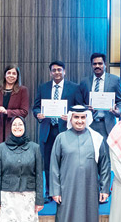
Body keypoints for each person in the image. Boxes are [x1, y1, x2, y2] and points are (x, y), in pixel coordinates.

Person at [48, 105, 111, 222]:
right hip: (67, 190)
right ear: (70, 119)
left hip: (90, 190)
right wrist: (55, 190)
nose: (80, 121)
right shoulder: (61, 138)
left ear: (87, 119)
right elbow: (54, 166)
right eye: (76, 117)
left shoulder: (96, 138)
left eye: (83, 118)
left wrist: (104, 188)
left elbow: (105, 165)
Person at [33, 60, 84, 202]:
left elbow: (80, 108)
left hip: (66, 131)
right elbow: (36, 107)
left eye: (59, 70)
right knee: (49, 163)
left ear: (64, 71)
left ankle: (67, 191)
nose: (57, 72)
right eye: (54, 70)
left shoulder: (74, 88)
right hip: (48, 130)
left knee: (67, 162)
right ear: (50, 73)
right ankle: (50, 192)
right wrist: (38, 114)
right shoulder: (43, 87)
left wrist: (71, 116)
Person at [79, 52, 121, 138]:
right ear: (91, 65)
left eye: (100, 63)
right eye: (94, 64)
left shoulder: (114, 80)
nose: (97, 66)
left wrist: (118, 111)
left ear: (105, 64)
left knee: (106, 147)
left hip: (107, 124)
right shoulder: (84, 82)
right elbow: (80, 103)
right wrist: (86, 108)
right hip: (89, 123)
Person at [0, 64, 30, 146]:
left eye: (14, 73)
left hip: (14, 131)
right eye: (9, 73)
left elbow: (24, 112)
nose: (11, 75)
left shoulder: (22, 90)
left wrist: (6, 112)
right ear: (5, 75)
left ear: (17, 77)